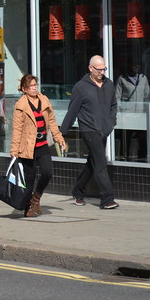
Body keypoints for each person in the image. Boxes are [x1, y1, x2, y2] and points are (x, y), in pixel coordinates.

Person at [61, 55, 119, 209]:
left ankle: (77, 190)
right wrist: (62, 133)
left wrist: (111, 122)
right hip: (89, 129)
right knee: (100, 162)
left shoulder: (109, 84)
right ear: (90, 68)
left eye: (104, 69)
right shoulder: (81, 87)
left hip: (104, 129)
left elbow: (113, 105)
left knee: (92, 162)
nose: (102, 72)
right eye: (99, 69)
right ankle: (107, 199)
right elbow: (72, 111)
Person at [10, 74, 68, 217]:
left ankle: (36, 198)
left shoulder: (44, 100)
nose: (35, 88)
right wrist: (14, 150)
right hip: (27, 147)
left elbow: (52, 123)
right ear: (24, 89)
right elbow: (17, 129)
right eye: (31, 86)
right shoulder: (20, 105)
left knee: (48, 173)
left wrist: (59, 139)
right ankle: (28, 207)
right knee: (29, 179)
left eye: (36, 85)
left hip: (42, 145)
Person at [115, 63, 150, 161]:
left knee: (142, 139)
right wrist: (119, 113)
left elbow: (147, 96)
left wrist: (147, 112)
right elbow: (117, 97)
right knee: (126, 138)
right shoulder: (122, 79)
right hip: (127, 115)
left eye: (137, 65)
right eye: (133, 65)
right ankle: (123, 158)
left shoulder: (143, 78)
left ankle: (142, 158)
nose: (135, 67)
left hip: (140, 114)